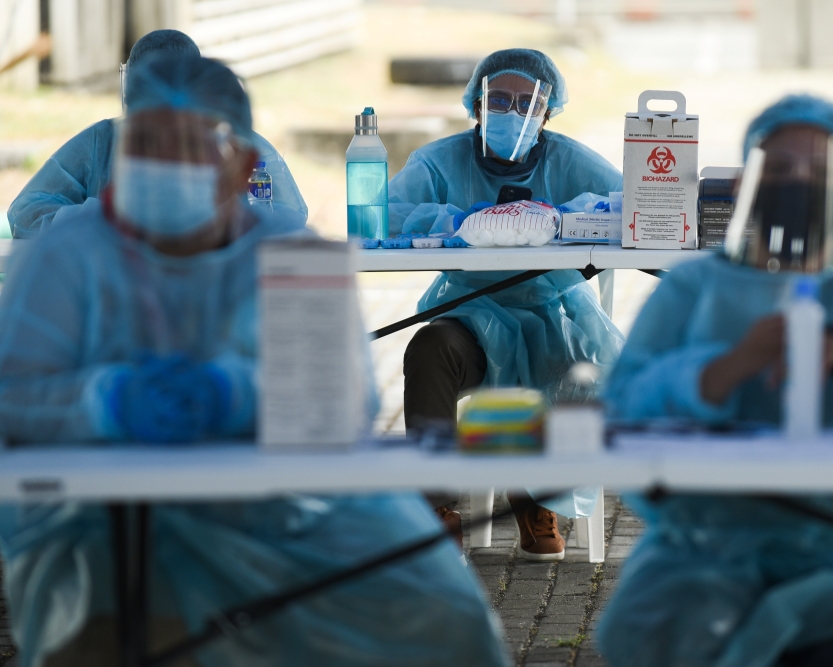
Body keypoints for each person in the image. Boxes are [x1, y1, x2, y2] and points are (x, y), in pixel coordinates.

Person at [0, 55, 507, 667]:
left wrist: (237, 395)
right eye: (148, 145)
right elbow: (15, 397)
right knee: (116, 636)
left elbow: (339, 409)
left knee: (439, 613)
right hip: (103, 520)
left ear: (244, 162)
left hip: (280, 512)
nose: (166, 164)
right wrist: (104, 401)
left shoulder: (292, 255)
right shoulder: (68, 255)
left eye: (192, 146)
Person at [597, 96, 833, 667]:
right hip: (709, 556)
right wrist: (725, 368)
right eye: (779, 168)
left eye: (822, 171)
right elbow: (621, 417)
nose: (800, 182)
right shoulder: (694, 288)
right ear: (748, 181)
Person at [389, 48, 625, 561]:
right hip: (468, 312)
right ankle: (434, 506)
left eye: (529, 103)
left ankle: (537, 497)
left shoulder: (570, 160)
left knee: (579, 369)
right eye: (499, 99)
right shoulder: (438, 161)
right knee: (429, 349)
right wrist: (458, 222)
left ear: (548, 111)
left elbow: (632, 200)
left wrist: (561, 218)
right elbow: (386, 213)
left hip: (551, 313)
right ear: (476, 103)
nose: (513, 113)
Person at [6, 29, 307, 238]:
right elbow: (26, 212)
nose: (165, 153)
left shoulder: (237, 146)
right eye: (145, 143)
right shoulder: (103, 141)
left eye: (186, 143)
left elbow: (288, 220)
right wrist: (106, 219)